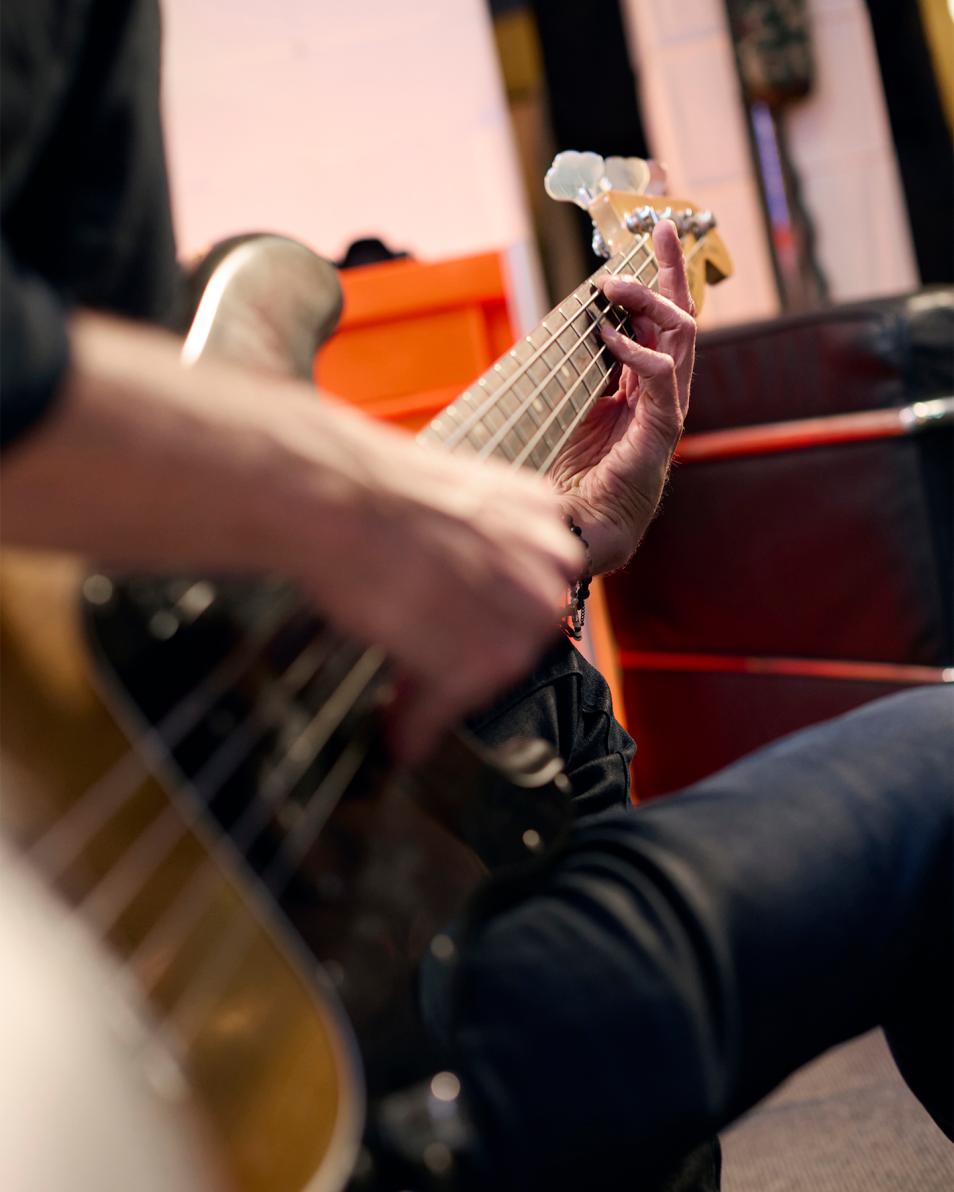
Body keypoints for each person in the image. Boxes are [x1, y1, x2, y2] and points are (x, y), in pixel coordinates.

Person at [1, 4, 950, 1192]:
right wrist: (358, 496)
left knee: (563, 720)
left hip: (211, 918)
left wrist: (554, 532)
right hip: (227, 1040)